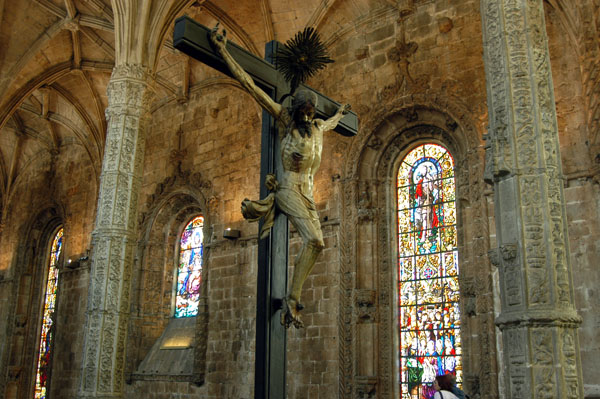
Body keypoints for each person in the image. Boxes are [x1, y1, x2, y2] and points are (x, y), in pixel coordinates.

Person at [209, 25, 351, 328]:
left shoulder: (318, 128)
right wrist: (224, 51)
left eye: (311, 111)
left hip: (308, 192)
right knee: (314, 238)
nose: (308, 115)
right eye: (305, 109)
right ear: (297, 108)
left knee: (318, 244)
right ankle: (292, 298)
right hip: (288, 188)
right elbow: (250, 85)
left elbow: (335, 121)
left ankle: (291, 297)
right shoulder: (285, 118)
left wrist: (340, 115)